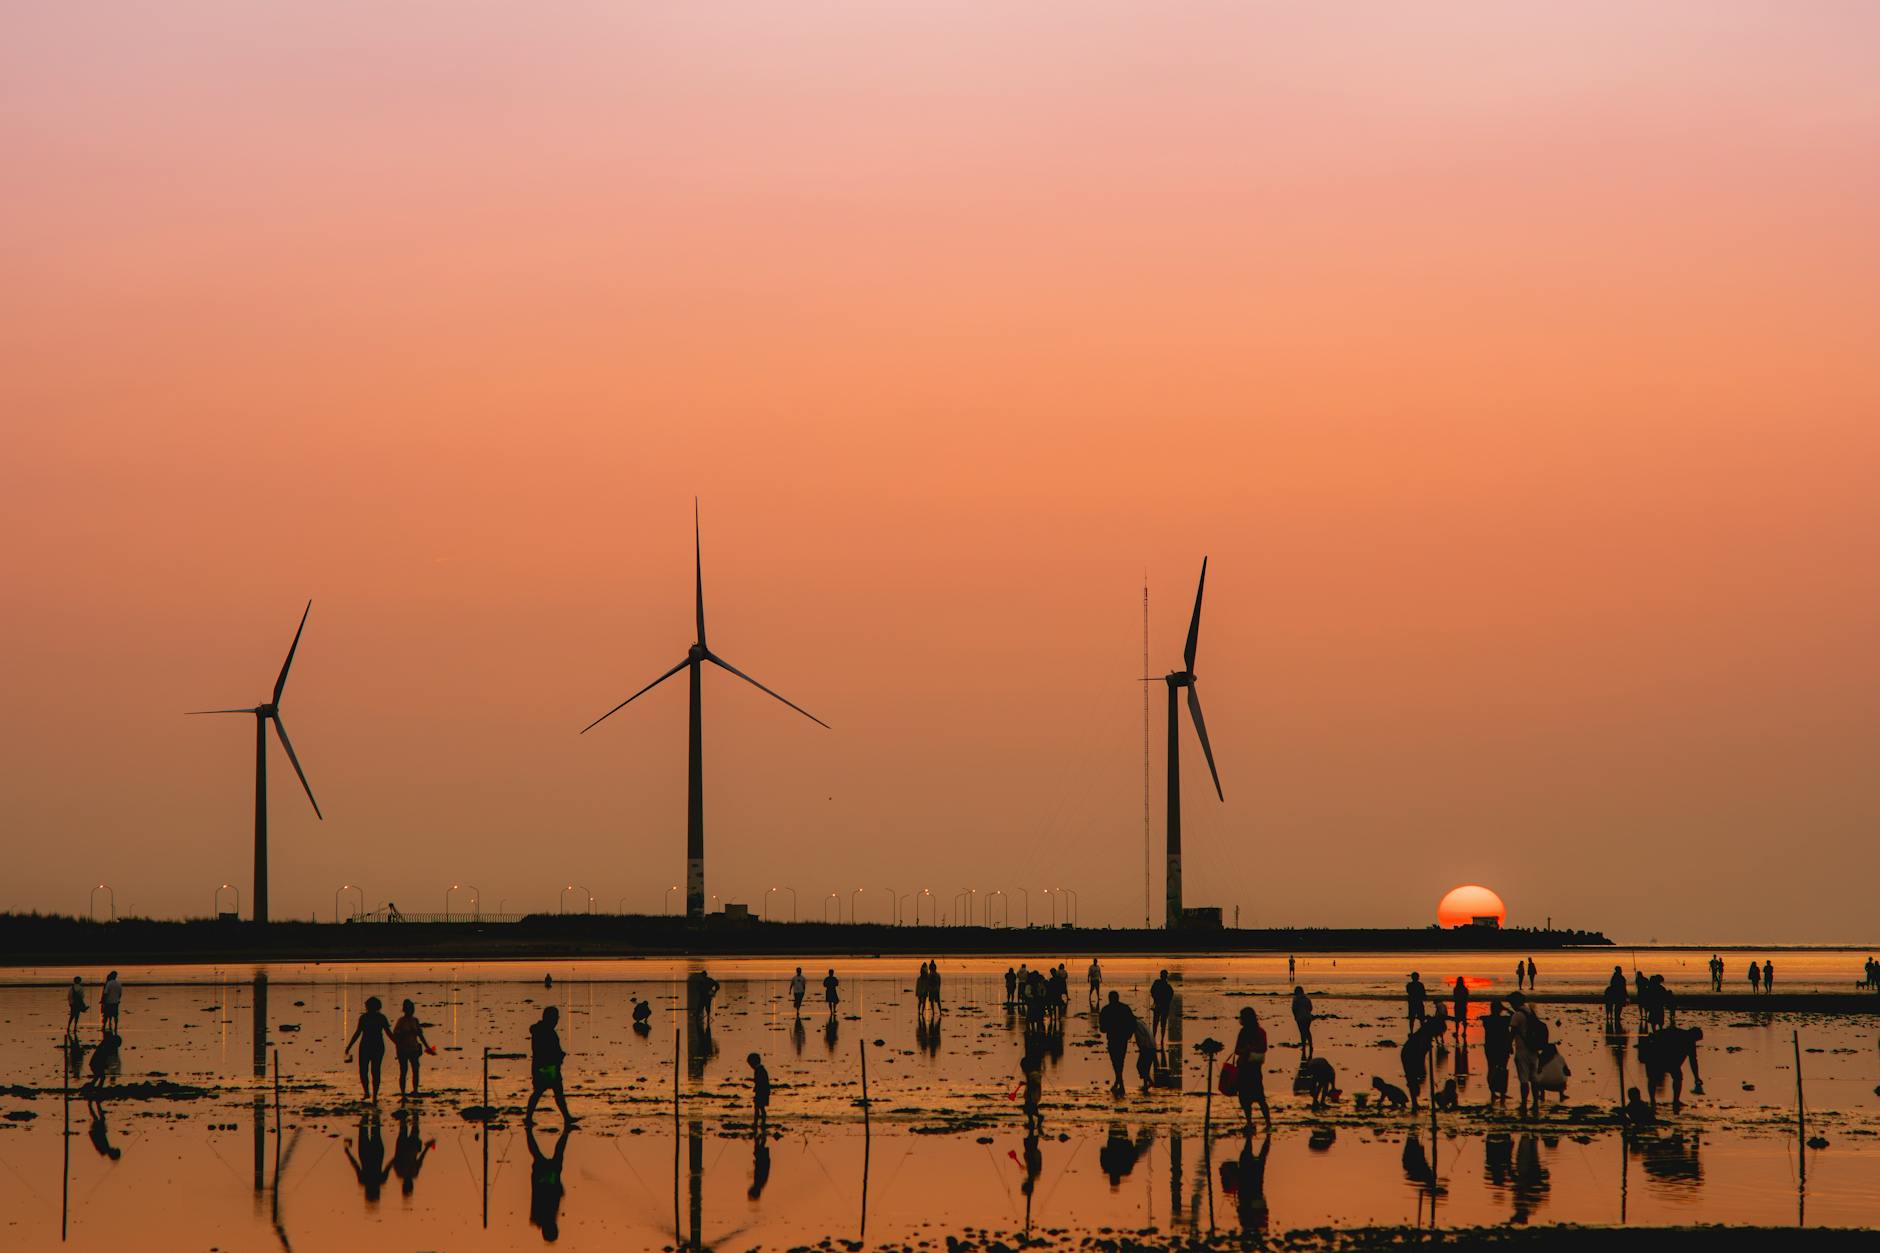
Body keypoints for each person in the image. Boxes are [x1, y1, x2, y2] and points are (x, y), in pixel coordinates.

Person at [525, 1005, 576, 1125]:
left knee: (547, 1092)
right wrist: (558, 1056)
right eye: (555, 1018)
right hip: (546, 1067)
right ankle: (566, 1118)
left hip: (544, 1066)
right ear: (550, 1018)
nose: (556, 1021)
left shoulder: (542, 1030)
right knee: (545, 1092)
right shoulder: (545, 1031)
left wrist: (558, 1055)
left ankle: (566, 1117)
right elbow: (544, 1050)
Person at [1638, 1026, 1704, 1110]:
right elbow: (1693, 1061)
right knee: (1654, 1078)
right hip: (1657, 1058)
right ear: (1693, 1035)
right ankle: (1658, 1100)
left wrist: (1696, 1077)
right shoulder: (1679, 1035)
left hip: (1670, 1062)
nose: (1695, 1042)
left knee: (1675, 1078)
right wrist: (1696, 1077)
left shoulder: (1689, 1041)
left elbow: (1693, 1061)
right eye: (1696, 1039)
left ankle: (1671, 1100)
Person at [527, 1120, 571, 1242]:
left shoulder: (540, 1218)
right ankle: (566, 1132)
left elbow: (540, 1196)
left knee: (545, 1154)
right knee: (551, 1155)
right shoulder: (542, 1218)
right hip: (547, 1180)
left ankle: (566, 1132)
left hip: (544, 1181)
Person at [344, 996, 394, 1102]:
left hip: (368, 1046)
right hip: (375, 1046)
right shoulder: (378, 1017)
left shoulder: (367, 1018)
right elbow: (388, 1033)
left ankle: (369, 1093)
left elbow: (358, 1033)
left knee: (366, 1071)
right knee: (373, 1071)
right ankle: (371, 1094)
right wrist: (398, 1043)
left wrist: (349, 1046)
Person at [1233, 1007, 1272, 1131]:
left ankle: (1267, 1123)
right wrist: (1246, 1050)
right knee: (1247, 1098)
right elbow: (1237, 1050)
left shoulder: (1259, 1032)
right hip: (1247, 1068)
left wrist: (1249, 1049)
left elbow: (1263, 1048)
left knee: (1258, 1097)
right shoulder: (1245, 1032)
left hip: (1251, 1069)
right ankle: (1250, 1123)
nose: (1240, 1020)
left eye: (1242, 1017)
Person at [345, 1111, 392, 1204]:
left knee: (375, 1129)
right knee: (364, 1128)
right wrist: (348, 1153)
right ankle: (367, 1109)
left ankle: (373, 1108)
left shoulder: (380, 1180)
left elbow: (389, 1166)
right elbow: (356, 1166)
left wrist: (397, 1156)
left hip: (376, 1153)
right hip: (365, 1152)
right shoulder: (364, 1181)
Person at [1097, 991, 1137, 1095]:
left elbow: (1102, 1028)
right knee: (1121, 1060)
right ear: (1118, 998)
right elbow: (1133, 1022)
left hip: (1112, 1038)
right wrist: (1129, 1034)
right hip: (1123, 1038)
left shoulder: (1106, 1010)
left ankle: (1120, 1082)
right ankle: (1119, 1081)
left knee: (1115, 1061)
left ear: (1109, 998)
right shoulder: (1125, 1008)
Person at [1507, 992, 1539, 1116]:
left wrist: (1508, 1045)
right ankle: (1535, 1103)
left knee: (1524, 1079)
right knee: (1534, 1078)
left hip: (1522, 1050)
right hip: (1533, 1049)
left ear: (1515, 1002)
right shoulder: (1530, 1012)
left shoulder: (1517, 1015)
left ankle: (1524, 1104)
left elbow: (1512, 1032)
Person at [392, 999, 431, 1097]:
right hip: (403, 1050)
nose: (411, 1010)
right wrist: (400, 1043)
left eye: (412, 1008)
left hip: (414, 1049)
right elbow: (395, 1035)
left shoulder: (415, 1020)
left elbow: (420, 1035)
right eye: (409, 1008)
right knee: (403, 1071)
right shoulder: (401, 1021)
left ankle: (415, 1090)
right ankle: (403, 1093)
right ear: (405, 1009)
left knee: (415, 1070)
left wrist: (427, 1047)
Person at [391, 1109, 431, 1196]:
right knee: (405, 1129)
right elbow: (395, 1160)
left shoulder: (412, 1173)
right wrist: (426, 1148)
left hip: (411, 1147)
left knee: (413, 1128)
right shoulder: (401, 1173)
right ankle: (406, 1111)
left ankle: (413, 1110)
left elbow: (420, 1159)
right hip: (405, 1147)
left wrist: (427, 1148)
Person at [1481, 998, 1511, 1104]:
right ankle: (1501, 1093)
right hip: (1502, 1047)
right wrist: (1506, 1008)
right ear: (1500, 1009)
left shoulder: (1487, 1020)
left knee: (1491, 1068)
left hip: (1490, 1047)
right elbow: (1513, 1015)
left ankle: (1492, 1092)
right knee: (1502, 1069)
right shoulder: (1504, 1020)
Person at [1019, 1042, 1045, 1134]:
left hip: (1032, 1095)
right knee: (1031, 1109)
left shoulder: (1032, 1074)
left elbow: (1032, 1084)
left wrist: (1026, 1085)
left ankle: (1036, 1119)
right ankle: (1033, 1122)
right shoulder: (1034, 1073)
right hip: (1033, 1094)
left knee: (1030, 1109)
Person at [748, 1052, 770, 1134]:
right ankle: (761, 1123)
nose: (750, 1066)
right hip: (763, 1091)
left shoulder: (759, 1070)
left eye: (750, 1064)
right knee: (760, 1108)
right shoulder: (761, 1069)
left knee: (758, 1108)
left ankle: (757, 1123)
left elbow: (760, 1082)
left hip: (761, 1092)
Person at [1149, 970, 1175, 1043]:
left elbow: (1152, 991)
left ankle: (1156, 1038)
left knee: (1156, 1023)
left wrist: (1155, 998)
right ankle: (1161, 1039)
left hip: (1159, 1005)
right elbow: (1170, 996)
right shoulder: (1167, 987)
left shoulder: (1158, 984)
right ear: (1166, 976)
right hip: (1163, 1007)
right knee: (1162, 1024)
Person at [1291, 986, 1314, 1057]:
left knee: (1302, 1032)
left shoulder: (1295, 999)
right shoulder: (1307, 998)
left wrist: (1295, 1016)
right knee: (1307, 1031)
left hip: (1300, 1017)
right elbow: (1311, 1008)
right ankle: (1310, 1045)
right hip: (1308, 1017)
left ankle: (1304, 1046)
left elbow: (1294, 1009)